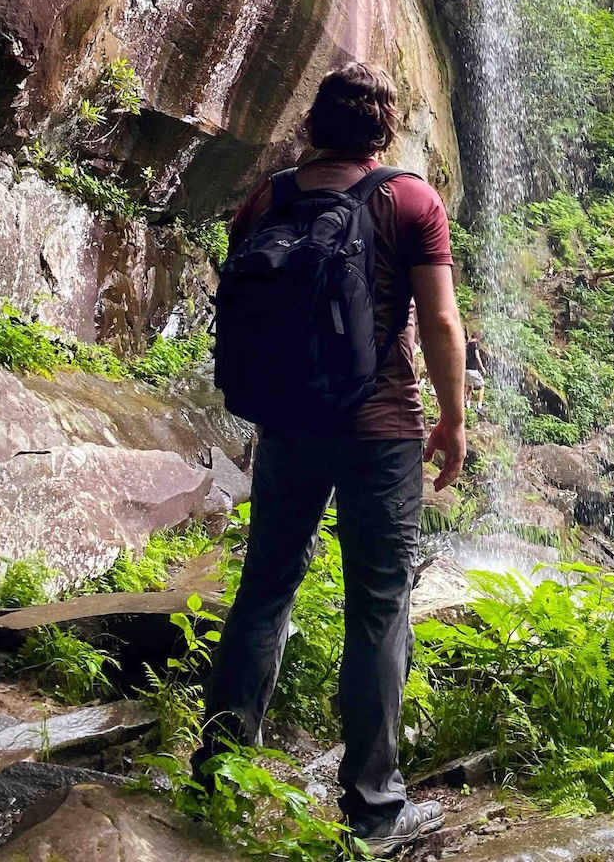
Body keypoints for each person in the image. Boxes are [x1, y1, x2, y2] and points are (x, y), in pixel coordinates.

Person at [197, 61, 466, 855]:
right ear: (384, 128)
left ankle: (217, 768)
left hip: (287, 425)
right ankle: (373, 811)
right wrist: (453, 420)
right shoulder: (410, 199)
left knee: (264, 592)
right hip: (381, 429)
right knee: (378, 606)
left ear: (314, 121)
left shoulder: (267, 198)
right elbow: (442, 321)